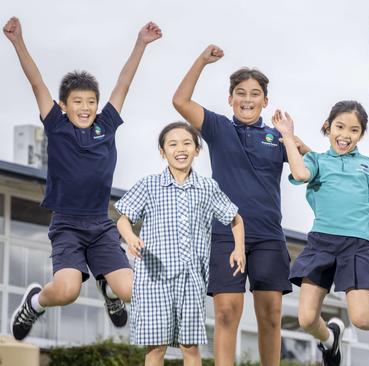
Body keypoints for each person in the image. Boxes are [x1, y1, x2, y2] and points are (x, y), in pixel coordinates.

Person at [4, 16, 162, 340]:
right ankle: (34, 303)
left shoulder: (106, 124)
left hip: (100, 224)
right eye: (77, 101)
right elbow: (37, 84)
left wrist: (140, 43)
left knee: (133, 291)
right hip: (67, 225)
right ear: (64, 105)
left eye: (91, 101)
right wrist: (18, 41)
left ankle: (112, 293)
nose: (86, 107)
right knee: (67, 291)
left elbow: (123, 84)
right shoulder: (57, 125)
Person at [172, 44, 308, 366]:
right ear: (230, 98)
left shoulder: (277, 138)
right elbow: (180, 101)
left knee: (272, 313)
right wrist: (202, 61)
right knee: (226, 311)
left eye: (255, 93)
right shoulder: (218, 128)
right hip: (225, 234)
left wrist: (291, 139)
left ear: (265, 100)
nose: (247, 99)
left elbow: (310, 169)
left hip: (268, 237)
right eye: (240, 93)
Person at [274, 101, 369, 365]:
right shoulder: (317, 160)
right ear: (328, 127)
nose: (345, 135)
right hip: (320, 243)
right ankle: (330, 340)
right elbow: (299, 172)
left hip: (356, 246)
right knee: (307, 319)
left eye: (354, 130)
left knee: (362, 319)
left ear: (361, 134)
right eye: (340, 127)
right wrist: (288, 136)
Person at [115, 122, 244, 366]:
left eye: (187, 143)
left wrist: (239, 248)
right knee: (156, 348)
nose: (180, 149)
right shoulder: (149, 185)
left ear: (197, 150)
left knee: (190, 346)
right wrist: (131, 238)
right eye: (172, 144)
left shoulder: (207, 187)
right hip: (154, 279)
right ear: (163, 152)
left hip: (192, 279)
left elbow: (235, 218)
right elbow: (123, 220)